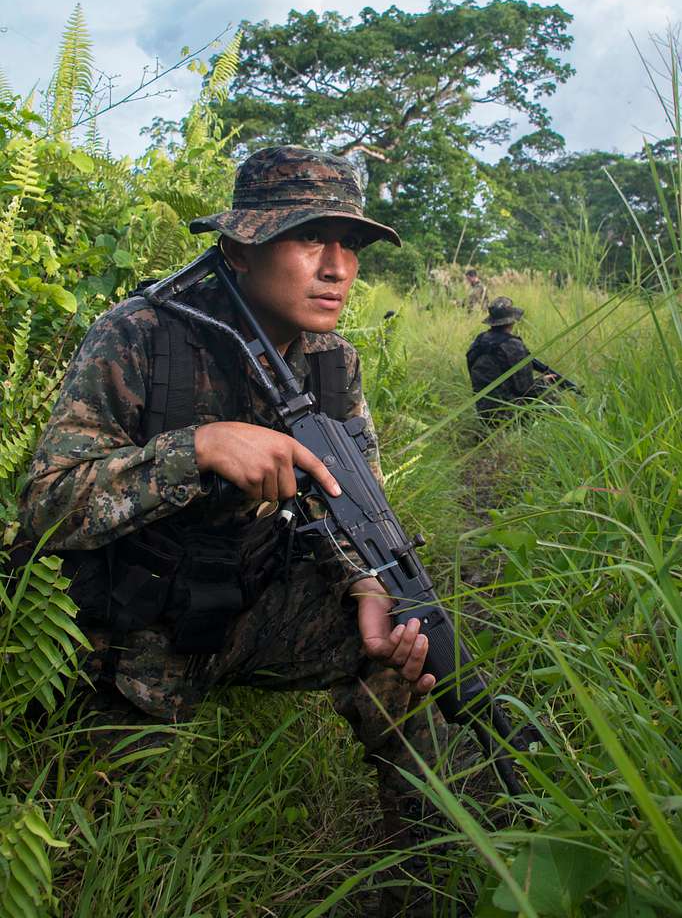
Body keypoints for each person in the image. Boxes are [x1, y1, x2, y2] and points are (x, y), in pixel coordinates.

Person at [20, 145, 450, 916]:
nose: (336, 268)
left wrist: (365, 584)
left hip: (254, 594)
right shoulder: (141, 334)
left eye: (349, 245)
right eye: (307, 239)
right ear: (241, 247)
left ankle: (429, 875)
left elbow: (355, 503)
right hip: (134, 624)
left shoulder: (330, 361)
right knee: (96, 836)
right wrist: (198, 448)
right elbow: (48, 503)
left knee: (409, 655)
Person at [466, 296, 558, 423]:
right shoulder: (513, 346)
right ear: (511, 321)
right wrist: (543, 382)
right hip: (507, 414)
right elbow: (525, 389)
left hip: (483, 412)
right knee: (550, 391)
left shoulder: (479, 341)